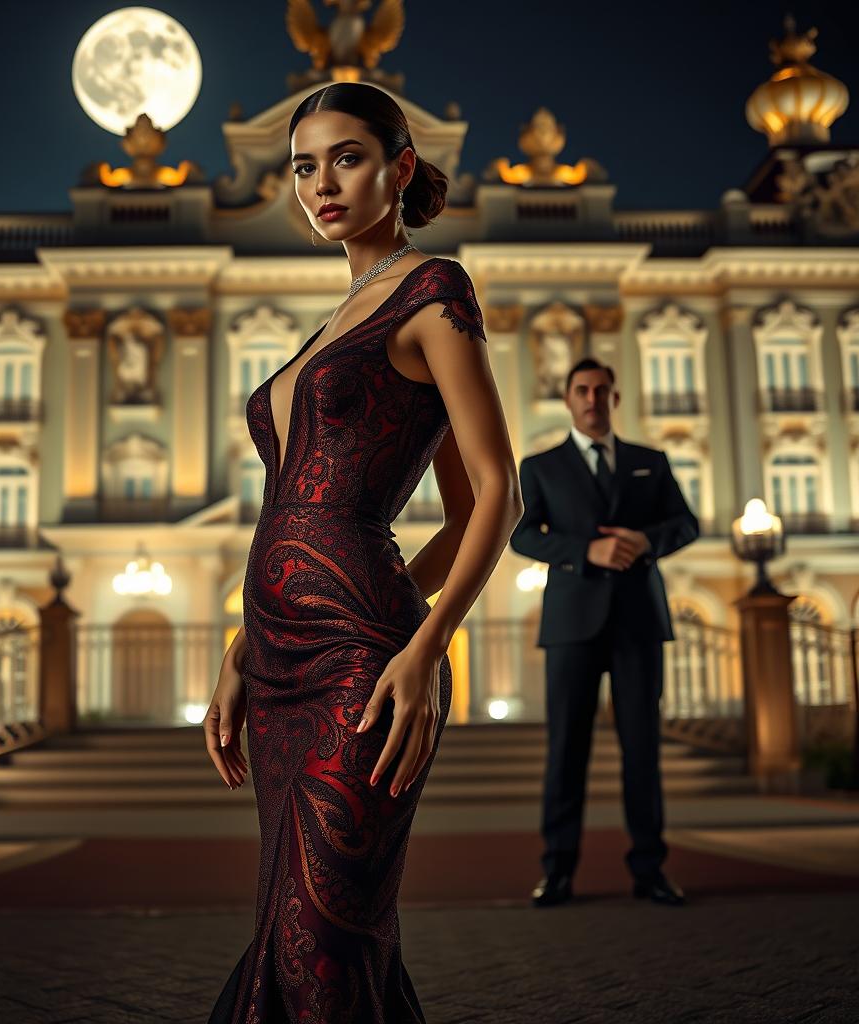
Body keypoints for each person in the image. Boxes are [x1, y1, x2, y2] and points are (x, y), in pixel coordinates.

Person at [204, 82, 523, 1023]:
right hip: (279, 658)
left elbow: (492, 497)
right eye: (304, 166)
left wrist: (425, 647)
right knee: (287, 921)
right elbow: (295, 514)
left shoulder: (434, 288)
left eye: (346, 158)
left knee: (324, 923)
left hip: (367, 659)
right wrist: (240, 650)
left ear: (400, 167)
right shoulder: (332, 323)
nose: (321, 184)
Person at [509, 358, 699, 908]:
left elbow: (687, 524)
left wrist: (646, 541)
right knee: (566, 749)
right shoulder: (540, 466)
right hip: (571, 623)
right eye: (582, 390)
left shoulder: (650, 462)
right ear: (568, 399)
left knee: (643, 750)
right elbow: (522, 535)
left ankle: (650, 870)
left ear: (615, 400)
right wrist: (582, 552)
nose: (592, 399)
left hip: (639, 620)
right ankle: (558, 872)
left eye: (602, 391)